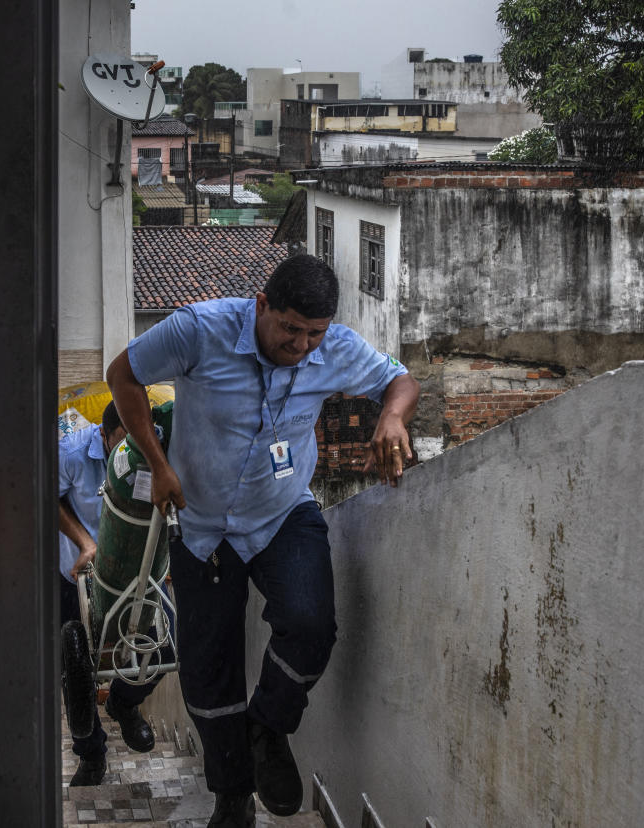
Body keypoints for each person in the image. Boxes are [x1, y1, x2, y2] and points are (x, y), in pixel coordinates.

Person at [106, 254, 419, 827]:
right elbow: (122, 375)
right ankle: (231, 797)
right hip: (201, 523)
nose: (301, 345)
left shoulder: (337, 346)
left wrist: (393, 417)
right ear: (262, 306)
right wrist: (159, 463)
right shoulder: (200, 330)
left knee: (310, 623)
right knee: (205, 669)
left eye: (314, 334)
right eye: (290, 329)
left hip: (282, 514)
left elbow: (399, 380)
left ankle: (268, 728)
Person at [58, 400, 167, 786]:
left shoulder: (154, 449)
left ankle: (124, 704)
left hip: (132, 574)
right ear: (103, 436)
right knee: (76, 674)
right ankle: (91, 755)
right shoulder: (71, 453)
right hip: (78, 571)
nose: (129, 450)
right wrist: (86, 543)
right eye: (121, 442)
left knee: (160, 652)